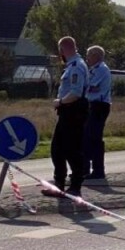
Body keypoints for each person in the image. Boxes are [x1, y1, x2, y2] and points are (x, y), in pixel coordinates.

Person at [42, 36, 89, 198]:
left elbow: (75, 93)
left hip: (73, 111)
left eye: (60, 50)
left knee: (72, 150)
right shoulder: (72, 65)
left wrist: (60, 101)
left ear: (63, 50)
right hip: (67, 112)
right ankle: (59, 185)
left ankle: (75, 186)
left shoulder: (76, 66)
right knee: (58, 150)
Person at [83, 45, 112, 180]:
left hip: (99, 105)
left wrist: (82, 87)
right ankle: (85, 168)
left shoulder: (101, 69)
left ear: (95, 56)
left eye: (88, 55)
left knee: (94, 137)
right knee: (86, 136)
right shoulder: (94, 69)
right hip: (92, 105)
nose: (87, 58)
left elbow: (92, 86)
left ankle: (98, 170)